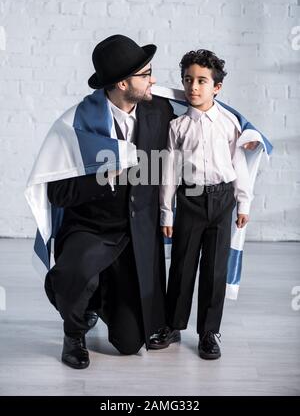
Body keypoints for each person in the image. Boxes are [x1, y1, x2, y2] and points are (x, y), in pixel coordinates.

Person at [41, 35, 174, 368]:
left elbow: (199, 116)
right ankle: (73, 330)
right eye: (146, 74)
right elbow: (57, 194)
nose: (153, 80)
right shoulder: (75, 125)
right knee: (76, 272)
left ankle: (98, 299)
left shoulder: (159, 110)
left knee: (130, 345)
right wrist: (106, 176)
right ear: (122, 83)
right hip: (91, 228)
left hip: (135, 234)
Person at [149, 49, 253, 359]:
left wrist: (243, 203)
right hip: (190, 198)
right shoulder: (177, 127)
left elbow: (240, 164)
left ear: (216, 87)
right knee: (182, 265)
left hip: (222, 200)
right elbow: (167, 171)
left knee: (214, 269)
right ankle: (173, 325)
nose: (193, 87)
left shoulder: (230, 124)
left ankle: (209, 331)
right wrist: (166, 211)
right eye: (187, 80)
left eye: (202, 81)